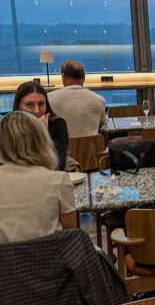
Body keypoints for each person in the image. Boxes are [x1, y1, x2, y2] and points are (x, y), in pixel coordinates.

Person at [0, 111, 77, 244]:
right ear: (42, 140)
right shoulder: (59, 181)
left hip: (6, 262)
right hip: (49, 261)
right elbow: (70, 237)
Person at [12, 81, 69, 170]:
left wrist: (43, 136)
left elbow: (58, 166)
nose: (36, 111)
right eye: (29, 104)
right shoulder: (8, 128)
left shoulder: (57, 124)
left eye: (41, 104)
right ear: (18, 106)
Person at [48, 59, 107, 138]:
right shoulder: (99, 100)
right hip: (92, 149)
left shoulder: (49, 98)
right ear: (84, 77)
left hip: (61, 149)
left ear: (63, 77)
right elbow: (101, 124)